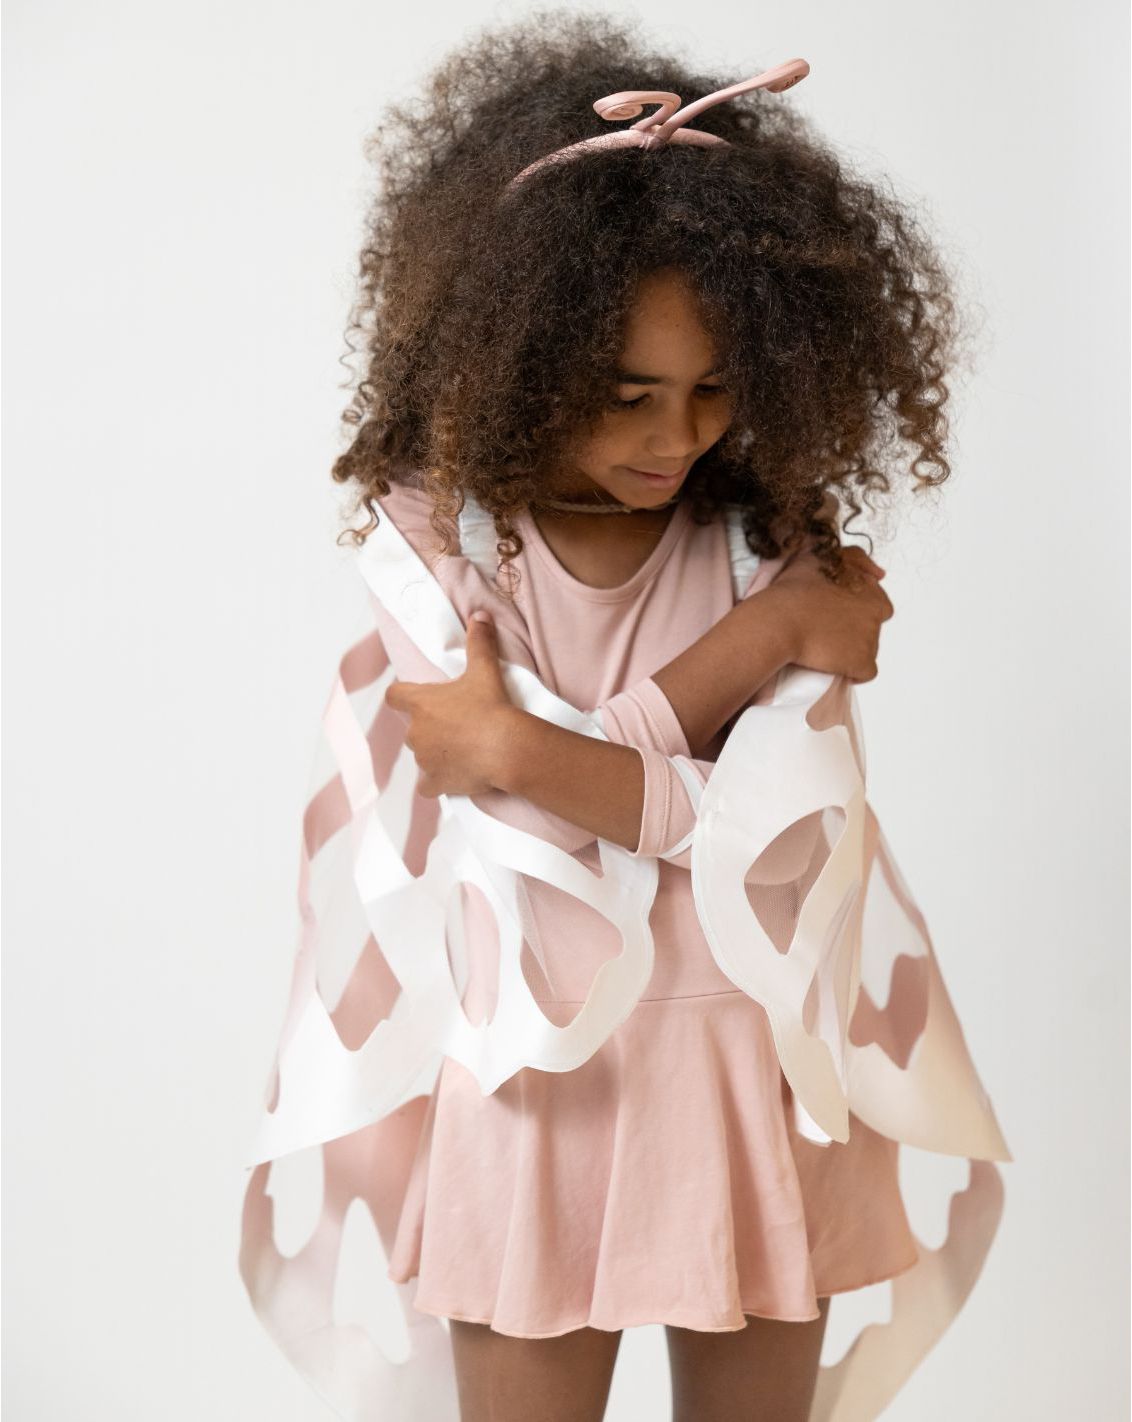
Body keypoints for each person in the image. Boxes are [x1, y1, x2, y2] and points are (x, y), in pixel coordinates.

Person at [239, 13, 1011, 1422]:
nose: (676, 437)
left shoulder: (772, 542)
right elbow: (528, 835)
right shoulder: (442, 546)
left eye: (715, 389)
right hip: (536, 1080)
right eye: (627, 396)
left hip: (752, 1069)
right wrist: (750, 649)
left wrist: (527, 747)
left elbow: (755, 833)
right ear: (517, 360)